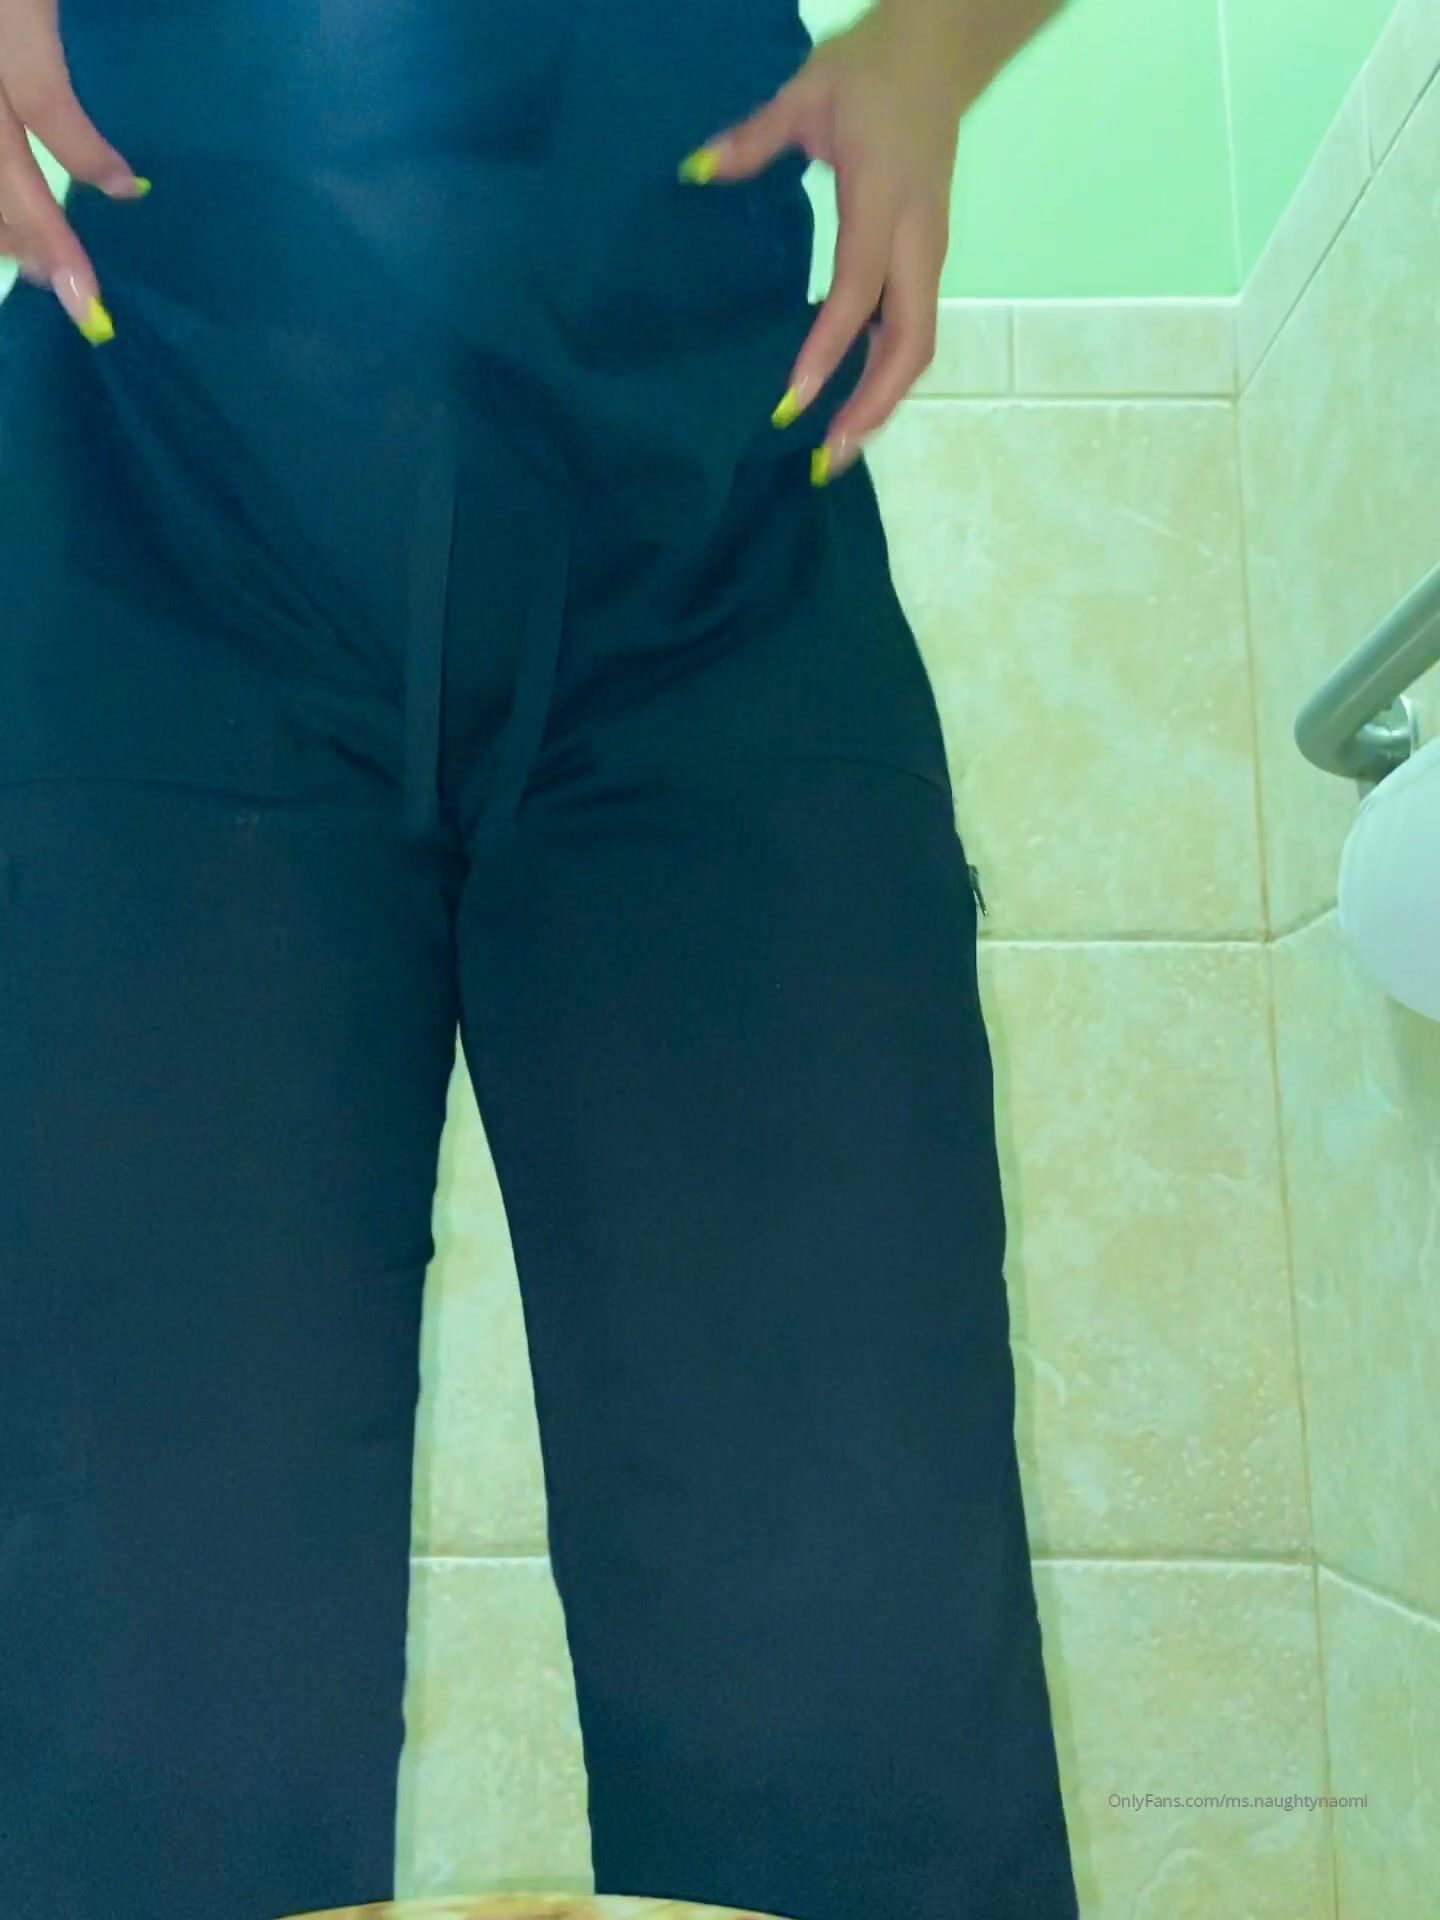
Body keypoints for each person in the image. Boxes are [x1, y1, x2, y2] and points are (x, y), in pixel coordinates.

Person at [0, 1, 1078, 1915]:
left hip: (706, 512)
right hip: (163, 487)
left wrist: (940, 43)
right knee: (133, 1632)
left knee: (860, 1624)